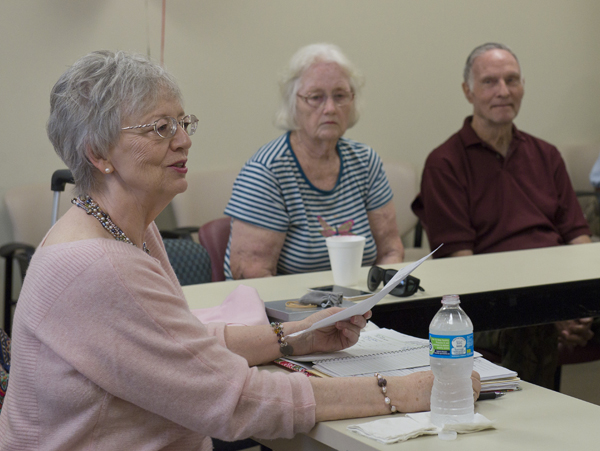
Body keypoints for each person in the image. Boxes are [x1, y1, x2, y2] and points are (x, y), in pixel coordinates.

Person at [0, 51, 480, 450]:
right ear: (98, 154)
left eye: (183, 122)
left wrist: (295, 336)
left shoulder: (120, 227)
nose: (185, 140)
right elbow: (235, 401)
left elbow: (178, 348)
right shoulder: (98, 264)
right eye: (159, 128)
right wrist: (402, 390)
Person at [411, 42, 594, 389]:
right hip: (494, 304)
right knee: (533, 327)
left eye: (512, 80)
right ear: (468, 91)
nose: (503, 92)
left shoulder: (546, 154)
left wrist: (578, 301)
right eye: (490, 82)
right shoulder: (445, 163)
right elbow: (462, 267)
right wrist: (550, 310)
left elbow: (577, 236)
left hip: (560, 291)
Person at [224, 43, 404, 280]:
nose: (330, 108)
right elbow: (251, 274)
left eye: (340, 96)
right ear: (293, 104)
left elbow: (391, 250)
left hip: (361, 306)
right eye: (315, 97)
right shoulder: (267, 171)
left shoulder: (365, 162)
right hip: (289, 311)